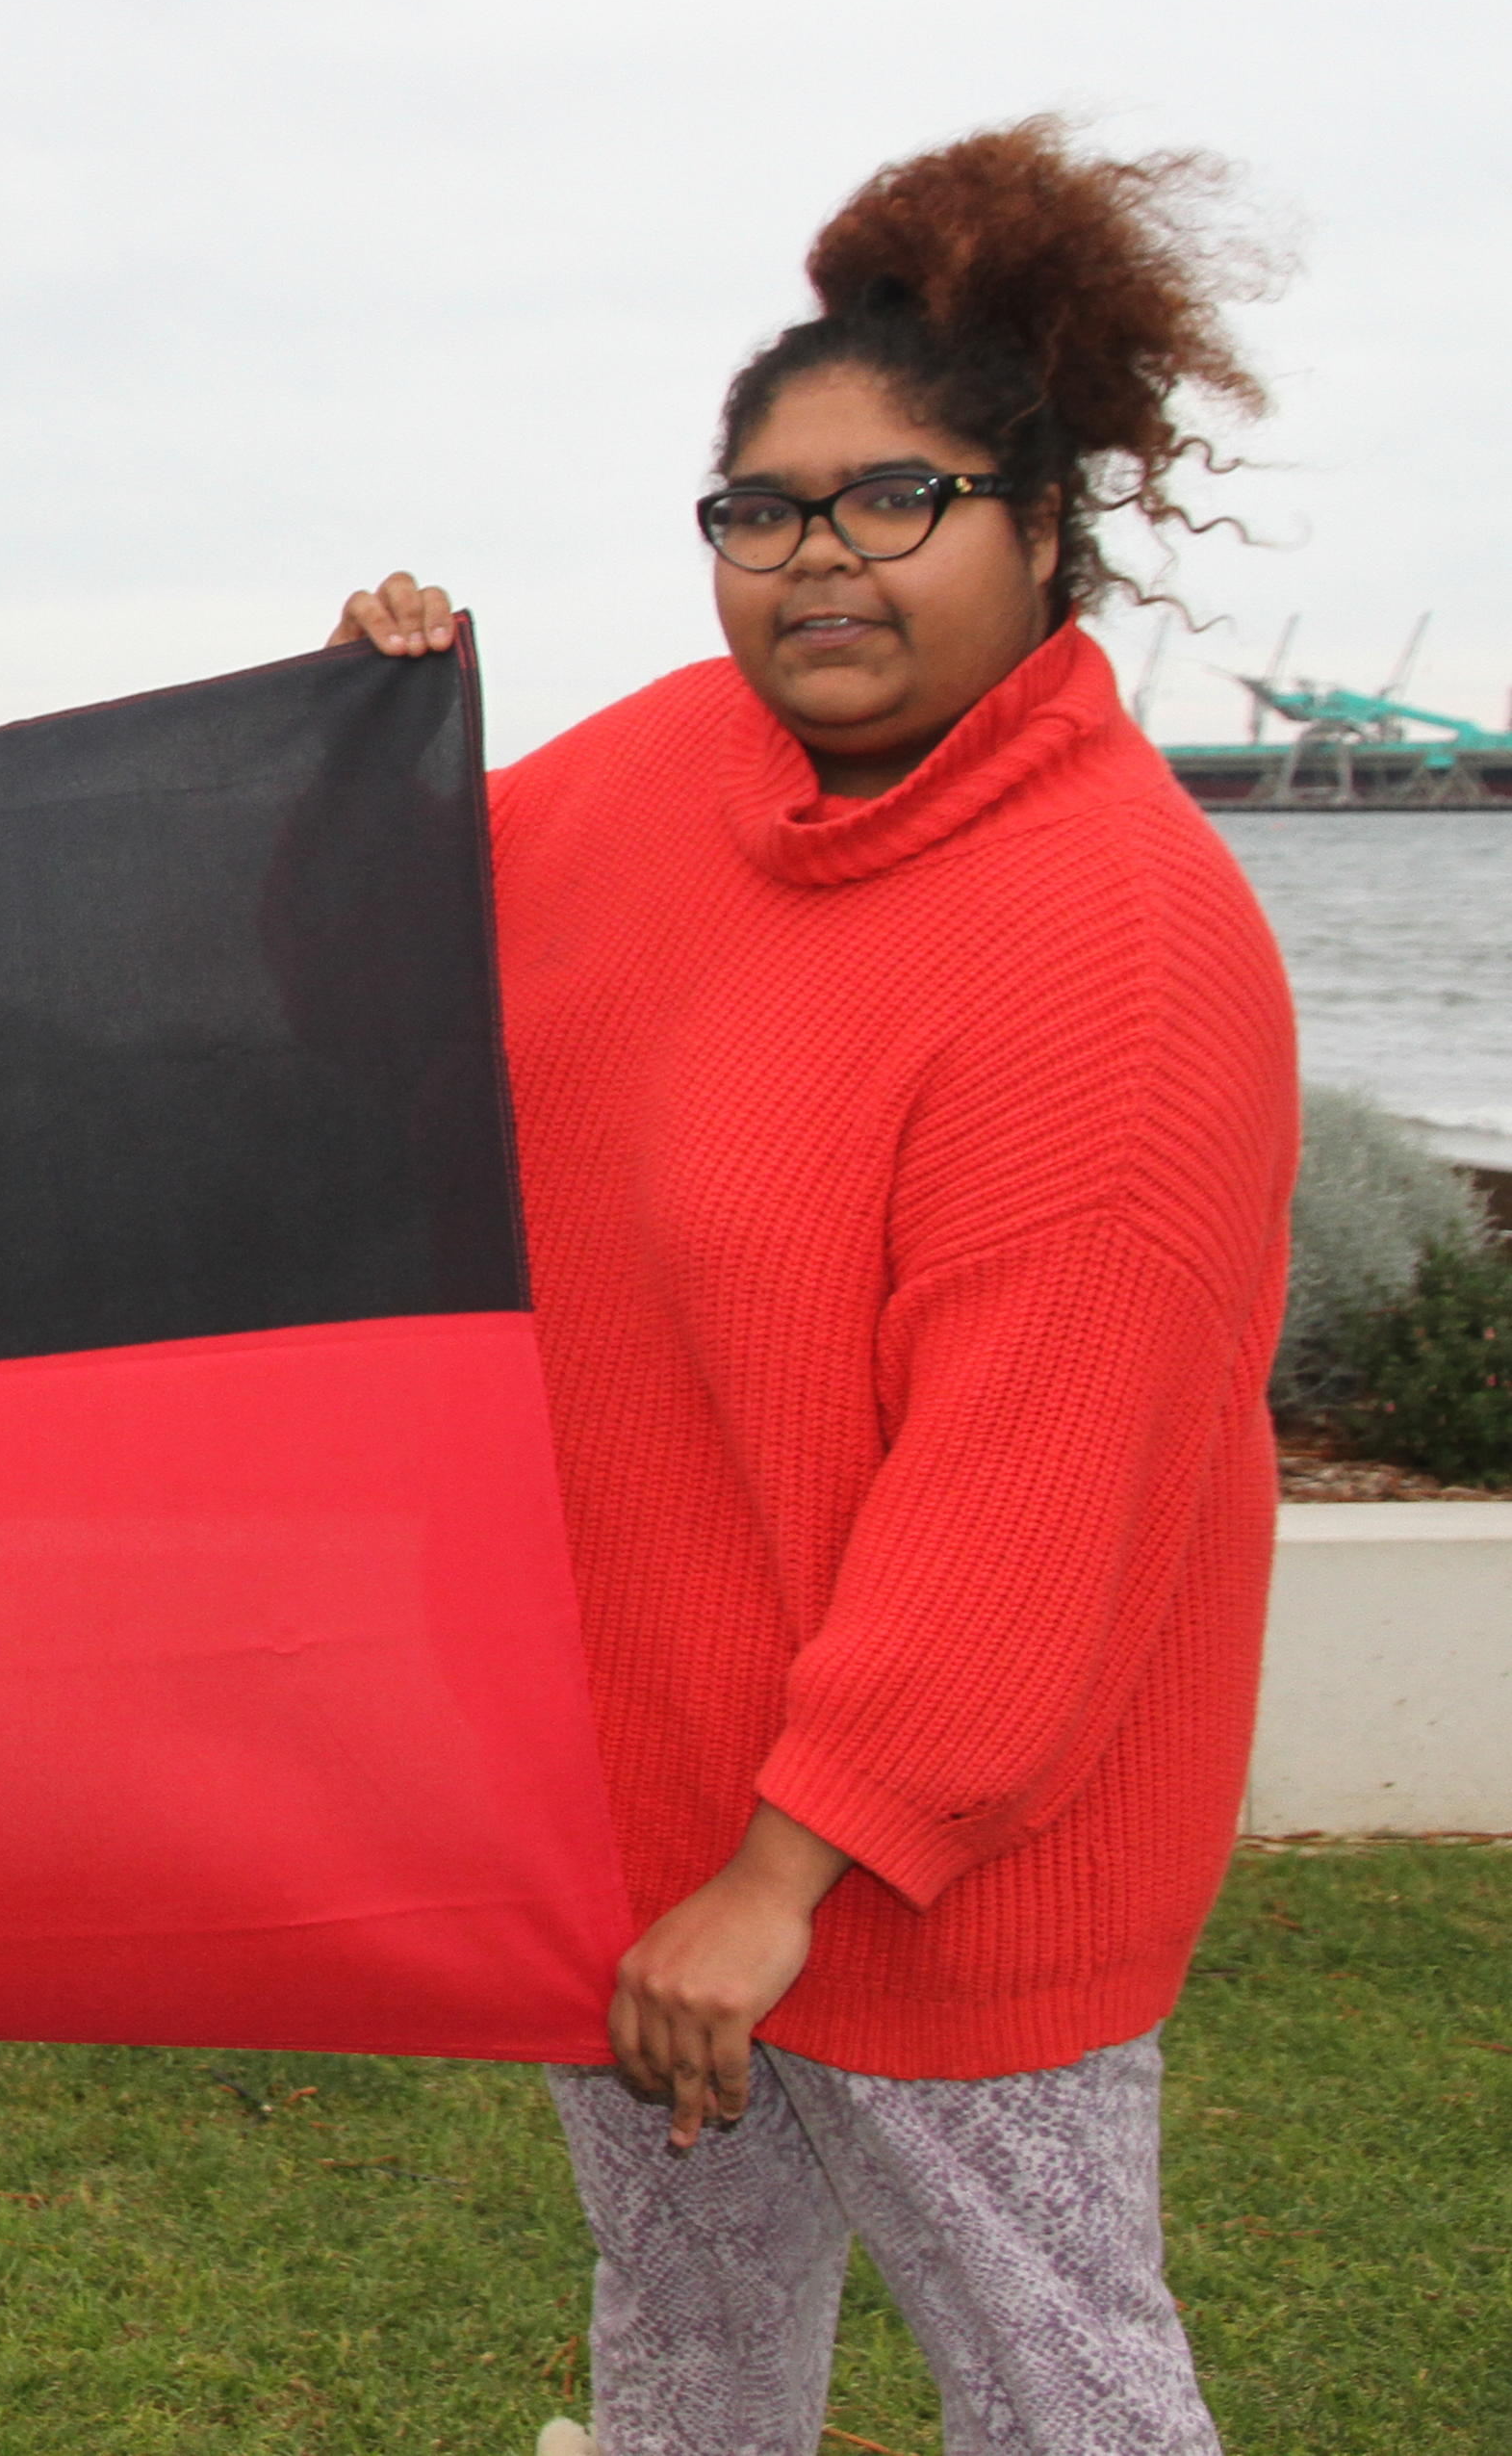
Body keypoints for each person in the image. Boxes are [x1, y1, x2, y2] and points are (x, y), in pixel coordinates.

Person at [336, 124, 1293, 2456]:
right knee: (681, 2378)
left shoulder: (1119, 938)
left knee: (1064, 2394)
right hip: (640, 1810)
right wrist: (357, 744)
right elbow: (363, 969)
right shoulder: (676, 771)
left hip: (926, 1876)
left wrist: (781, 1883)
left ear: (1038, 527)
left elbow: (1031, 1496)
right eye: (761, 508)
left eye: (897, 499)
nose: (815, 559)